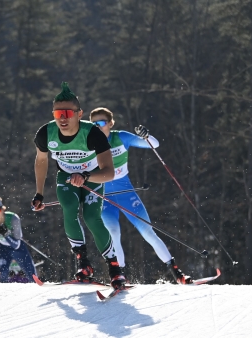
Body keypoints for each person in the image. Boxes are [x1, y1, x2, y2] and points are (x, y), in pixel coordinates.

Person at [31, 82, 125, 288]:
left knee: (92, 218)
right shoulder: (46, 133)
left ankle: (115, 269)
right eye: (57, 114)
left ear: (79, 113)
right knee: (69, 210)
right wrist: (39, 194)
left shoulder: (92, 133)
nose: (62, 118)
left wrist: (86, 175)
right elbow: (41, 161)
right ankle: (84, 264)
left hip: (93, 176)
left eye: (67, 113)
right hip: (66, 178)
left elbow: (109, 172)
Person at [89, 107, 192, 284]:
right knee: (113, 233)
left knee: (148, 231)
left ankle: (177, 274)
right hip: (105, 197)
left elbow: (154, 144)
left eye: (101, 123)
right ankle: (119, 275)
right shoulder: (87, 143)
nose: (97, 127)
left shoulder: (121, 137)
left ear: (111, 123)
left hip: (125, 194)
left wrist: (146, 136)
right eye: (93, 124)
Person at [0, 197, 36, 283]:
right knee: (3, 272)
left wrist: (6, 234)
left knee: (30, 271)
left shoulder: (13, 218)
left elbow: (16, 245)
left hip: (18, 248)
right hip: (2, 248)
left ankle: (35, 284)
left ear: (2, 209)